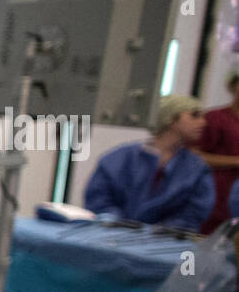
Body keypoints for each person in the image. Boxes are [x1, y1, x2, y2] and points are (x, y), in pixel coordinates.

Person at [83, 94, 214, 231]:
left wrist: (157, 233)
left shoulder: (196, 168)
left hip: (164, 246)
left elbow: (193, 214)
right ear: (170, 117)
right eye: (195, 115)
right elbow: (98, 200)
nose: (203, 122)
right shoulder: (121, 158)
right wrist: (121, 227)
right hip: (109, 238)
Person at [196, 70, 239, 233]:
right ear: (232, 86)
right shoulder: (215, 118)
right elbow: (195, 157)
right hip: (217, 196)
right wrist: (235, 161)